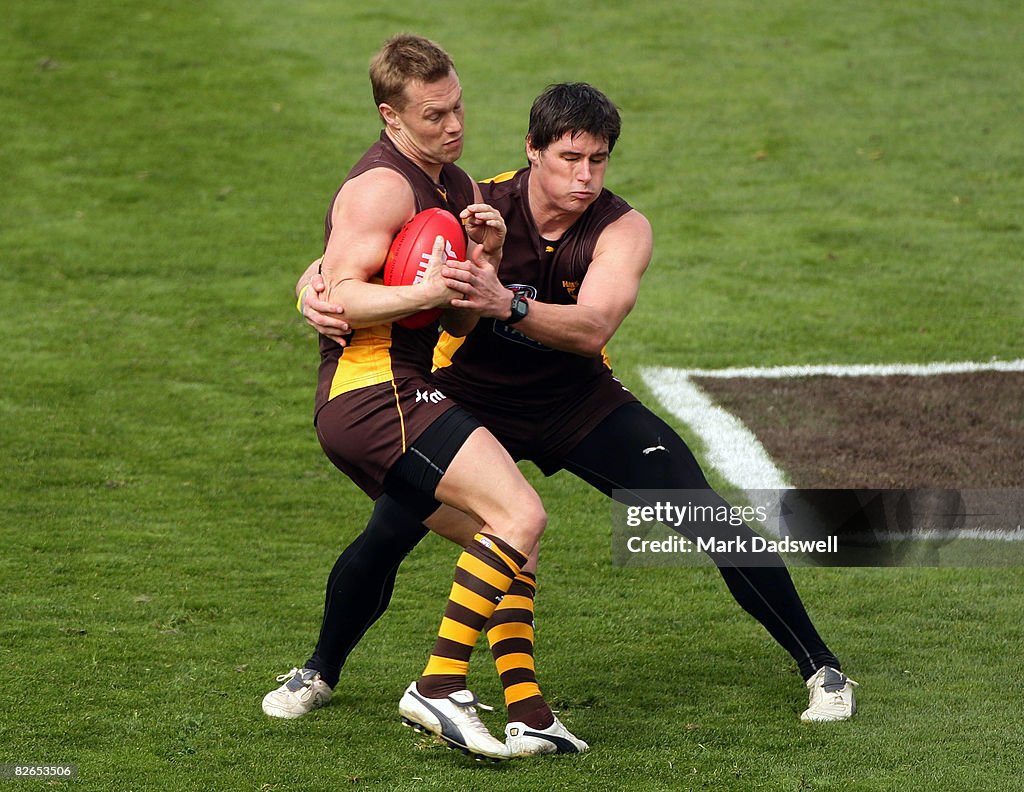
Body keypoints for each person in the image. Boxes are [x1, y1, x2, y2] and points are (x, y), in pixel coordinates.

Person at [270, 82, 858, 753]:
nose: (584, 176)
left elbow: (593, 326)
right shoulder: (477, 202)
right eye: (569, 158)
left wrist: (506, 304)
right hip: (470, 394)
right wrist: (310, 287)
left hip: (576, 402)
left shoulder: (620, 228)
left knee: (706, 515)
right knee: (387, 533)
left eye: (598, 160)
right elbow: (364, 255)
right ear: (532, 151)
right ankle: (319, 670)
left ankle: (823, 667)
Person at [294, 33, 566, 762]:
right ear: (391, 115)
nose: (453, 126)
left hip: (402, 387)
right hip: (372, 392)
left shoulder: (461, 186)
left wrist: (480, 260)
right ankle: (439, 688)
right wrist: (426, 287)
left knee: (511, 542)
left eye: (458, 109)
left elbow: (453, 318)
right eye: (433, 116)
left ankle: (530, 711)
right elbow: (343, 293)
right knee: (521, 510)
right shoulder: (381, 186)